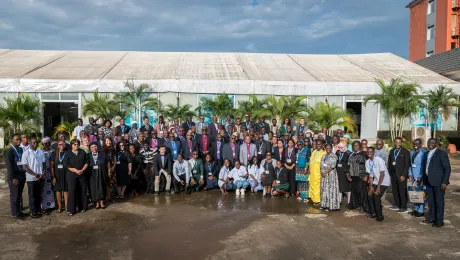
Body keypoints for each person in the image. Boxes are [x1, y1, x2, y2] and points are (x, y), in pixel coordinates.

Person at [422, 138, 451, 228]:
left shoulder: (441, 153)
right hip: (429, 181)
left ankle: (439, 221)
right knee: (431, 201)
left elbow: (447, 168)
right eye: (429, 142)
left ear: (436, 144)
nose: (430, 144)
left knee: (439, 202)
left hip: (439, 182)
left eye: (432, 143)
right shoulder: (426, 153)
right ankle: (432, 218)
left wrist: (444, 182)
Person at [21, 137, 45, 218]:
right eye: (34, 142)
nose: (36, 144)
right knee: (32, 196)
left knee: (39, 195)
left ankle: (38, 210)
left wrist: (42, 173)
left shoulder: (40, 152)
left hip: (40, 177)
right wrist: (35, 175)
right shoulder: (26, 153)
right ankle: (33, 212)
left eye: (37, 142)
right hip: (31, 178)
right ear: (30, 143)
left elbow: (44, 163)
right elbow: (25, 167)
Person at [366, 147, 391, 222]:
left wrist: (378, 187)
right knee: (370, 195)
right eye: (368, 152)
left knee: (376, 196)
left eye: (371, 151)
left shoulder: (379, 160)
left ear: (374, 152)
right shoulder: (367, 162)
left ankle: (380, 216)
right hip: (376, 181)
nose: (369, 153)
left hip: (384, 181)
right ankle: (373, 213)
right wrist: (371, 186)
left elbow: (382, 174)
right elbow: (370, 175)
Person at [66, 139, 89, 216]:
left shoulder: (83, 152)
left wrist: (82, 170)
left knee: (82, 191)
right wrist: (76, 171)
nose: (76, 146)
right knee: (72, 191)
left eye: (77, 144)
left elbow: (87, 161)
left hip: (82, 174)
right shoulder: (68, 153)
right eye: (74, 144)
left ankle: (82, 207)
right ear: (71, 145)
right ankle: (71, 209)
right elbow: (67, 165)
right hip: (72, 175)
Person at [5, 134, 26, 220]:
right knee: (14, 195)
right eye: (17, 140)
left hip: (21, 174)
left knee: (19, 195)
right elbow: (9, 166)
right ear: (12, 141)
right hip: (14, 177)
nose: (19, 141)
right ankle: (14, 213)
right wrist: (13, 177)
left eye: (19, 140)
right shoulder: (9, 151)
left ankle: (19, 211)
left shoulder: (20, 149)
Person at [388, 137, 410, 213]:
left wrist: (404, 175)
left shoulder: (405, 152)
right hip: (393, 174)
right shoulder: (391, 151)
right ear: (394, 142)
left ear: (401, 143)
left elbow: (407, 165)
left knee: (402, 191)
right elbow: (389, 162)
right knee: (395, 190)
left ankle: (404, 207)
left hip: (401, 175)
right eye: (396, 142)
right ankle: (397, 205)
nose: (397, 143)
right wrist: (390, 172)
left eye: (399, 142)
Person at [408, 139, 427, 217]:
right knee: (415, 193)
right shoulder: (412, 152)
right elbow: (410, 164)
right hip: (413, 176)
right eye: (414, 144)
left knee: (421, 193)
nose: (415, 145)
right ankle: (416, 209)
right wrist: (409, 174)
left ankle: (421, 210)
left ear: (421, 144)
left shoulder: (424, 153)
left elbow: (424, 166)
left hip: (420, 177)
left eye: (417, 144)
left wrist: (421, 176)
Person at [347, 141, 368, 211]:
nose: (355, 147)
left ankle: (362, 206)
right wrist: (348, 175)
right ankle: (355, 205)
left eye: (357, 145)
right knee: (354, 191)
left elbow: (367, 166)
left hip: (360, 176)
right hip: (353, 176)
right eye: (354, 146)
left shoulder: (363, 154)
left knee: (361, 191)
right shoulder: (351, 155)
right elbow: (348, 166)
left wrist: (366, 175)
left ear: (360, 146)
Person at [320, 144, 340, 211]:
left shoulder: (334, 156)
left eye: (329, 148)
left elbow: (332, 166)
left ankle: (331, 206)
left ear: (331, 148)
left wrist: (325, 172)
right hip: (324, 176)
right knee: (324, 189)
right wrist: (321, 172)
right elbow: (321, 165)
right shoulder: (324, 156)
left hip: (331, 175)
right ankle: (324, 205)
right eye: (327, 148)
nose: (328, 149)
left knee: (330, 189)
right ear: (325, 148)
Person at [88, 142, 108, 209]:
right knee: (94, 187)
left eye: (95, 146)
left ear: (97, 147)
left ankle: (102, 201)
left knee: (102, 186)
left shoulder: (102, 153)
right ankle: (96, 202)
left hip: (101, 172)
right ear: (90, 148)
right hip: (92, 174)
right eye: (92, 147)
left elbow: (107, 162)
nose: (94, 148)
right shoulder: (88, 155)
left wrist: (109, 171)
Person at [50, 140, 68, 213]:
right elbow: (51, 166)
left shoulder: (68, 153)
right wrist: (53, 177)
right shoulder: (54, 154)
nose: (61, 146)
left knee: (66, 190)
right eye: (60, 144)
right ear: (57, 145)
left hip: (66, 174)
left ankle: (66, 205)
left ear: (65, 145)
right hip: (57, 175)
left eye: (63, 144)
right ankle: (60, 206)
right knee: (58, 190)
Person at [308, 140, 326, 206]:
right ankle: (313, 199)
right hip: (312, 173)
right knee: (312, 186)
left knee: (317, 187)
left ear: (322, 145)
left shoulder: (324, 152)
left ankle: (317, 201)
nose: (318, 145)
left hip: (318, 174)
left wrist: (323, 172)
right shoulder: (314, 151)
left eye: (319, 144)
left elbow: (325, 164)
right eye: (317, 144)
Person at [40, 137, 55, 214]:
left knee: (51, 188)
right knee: (43, 189)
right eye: (45, 143)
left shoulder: (53, 151)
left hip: (52, 171)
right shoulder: (40, 151)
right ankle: (43, 206)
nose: (47, 144)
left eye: (48, 142)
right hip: (44, 172)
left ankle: (51, 205)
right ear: (42, 144)